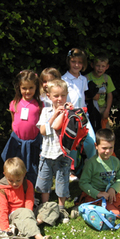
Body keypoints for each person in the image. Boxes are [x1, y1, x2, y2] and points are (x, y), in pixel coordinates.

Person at [35, 79, 72, 223]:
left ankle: (61, 208)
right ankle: (45, 206)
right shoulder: (45, 111)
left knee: (62, 181)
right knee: (44, 181)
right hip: (47, 153)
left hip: (63, 153)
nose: (60, 99)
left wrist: (70, 113)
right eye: (56, 96)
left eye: (63, 95)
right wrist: (55, 114)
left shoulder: (70, 111)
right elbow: (43, 131)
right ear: (48, 96)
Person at [0, 157, 53, 239]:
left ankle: (31, 224)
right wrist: (5, 227)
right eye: (11, 181)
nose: (15, 184)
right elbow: (3, 209)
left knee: (51, 206)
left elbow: (29, 201)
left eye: (18, 180)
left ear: (24, 175)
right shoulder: (3, 189)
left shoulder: (28, 184)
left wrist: (29, 214)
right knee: (24, 212)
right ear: (5, 175)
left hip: (28, 211)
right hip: (14, 215)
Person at [1, 70, 43, 186]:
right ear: (19, 87)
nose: (27, 91)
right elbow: (14, 120)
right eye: (24, 88)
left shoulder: (39, 105)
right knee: (16, 166)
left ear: (36, 87)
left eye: (31, 88)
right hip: (17, 141)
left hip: (32, 141)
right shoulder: (14, 103)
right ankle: (15, 187)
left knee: (31, 166)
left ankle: (30, 190)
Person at [76, 128, 120, 217]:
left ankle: (105, 207)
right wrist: (97, 193)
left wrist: (113, 189)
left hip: (110, 193)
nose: (108, 151)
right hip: (96, 194)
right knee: (115, 214)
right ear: (96, 146)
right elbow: (83, 183)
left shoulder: (115, 161)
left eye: (111, 147)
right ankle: (82, 202)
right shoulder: (91, 163)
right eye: (104, 148)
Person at [61, 48, 96, 181]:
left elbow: (82, 96)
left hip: (83, 114)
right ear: (69, 62)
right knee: (72, 144)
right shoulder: (64, 79)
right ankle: (70, 170)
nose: (76, 65)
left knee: (91, 141)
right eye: (73, 61)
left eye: (79, 62)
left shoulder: (83, 79)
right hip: (70, 116)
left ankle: (92, 168)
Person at [85, 52, 115, 129]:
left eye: (103, 66)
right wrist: (91, 97)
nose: (100, 68)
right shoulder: (86, 78)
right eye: (98, 66)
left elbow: (109, 95)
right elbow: (82, 95)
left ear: (107, 67)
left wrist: (107, 110)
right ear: (92, 65)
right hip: (91, 109)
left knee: (105, 130)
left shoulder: (107, 78)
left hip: (103, 108)